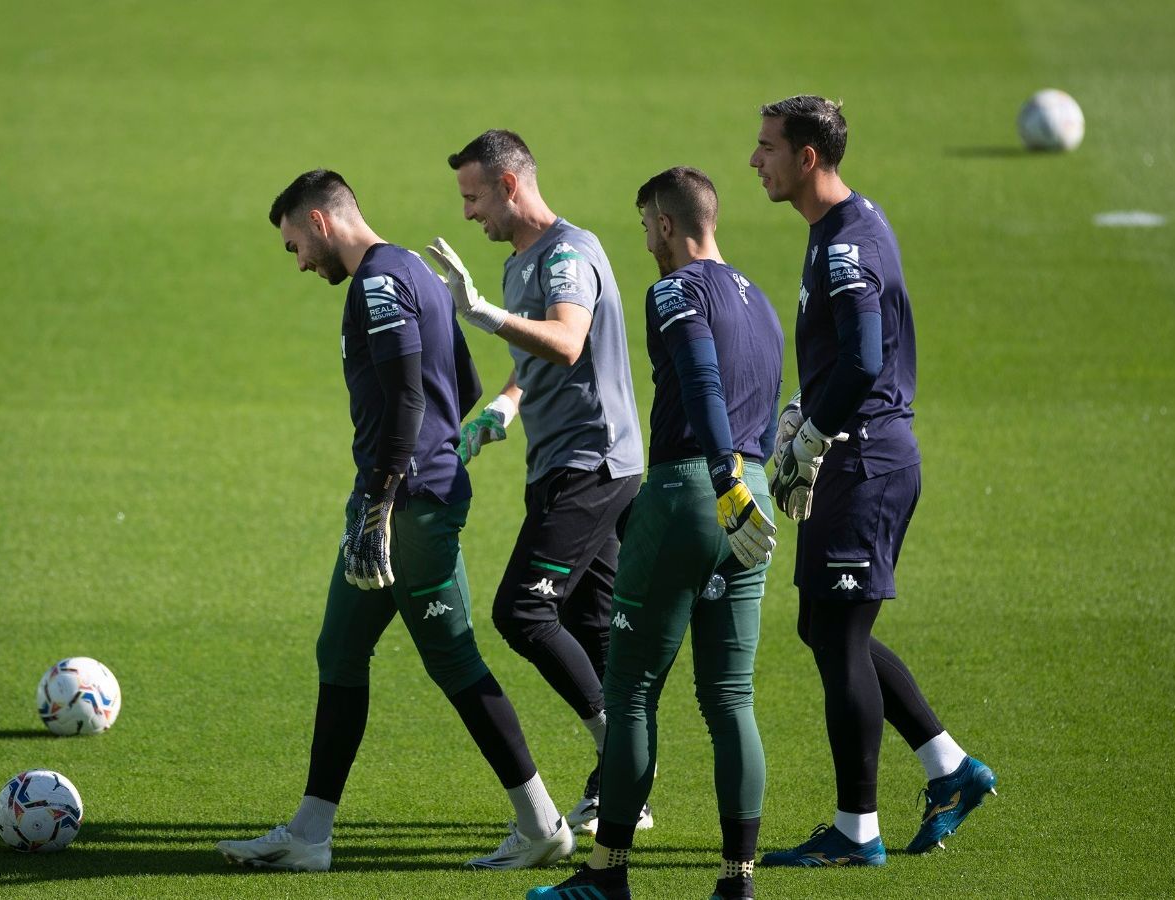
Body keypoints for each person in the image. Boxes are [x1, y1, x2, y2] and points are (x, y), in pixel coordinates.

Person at [216, 169, 575, 873]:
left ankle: (542, 824)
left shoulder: (378, 282)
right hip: (401, 499)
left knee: (453, 658)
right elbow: (465, 385)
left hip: (407, 508)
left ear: (320, 221)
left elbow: (410, 397)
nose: (298, 263)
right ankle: (311, 835)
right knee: (340, 653)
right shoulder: (413, 268)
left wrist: (379, 504)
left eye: (294, 245)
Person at [748, 96, 998, 867]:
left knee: (841, 635)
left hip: (863, 462)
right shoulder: (837, 230)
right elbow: (843, 358)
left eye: (767, 148)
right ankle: (949, 768)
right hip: (858, 451)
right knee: (825, 628)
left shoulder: (849, 245)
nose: (756, 160)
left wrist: (815, 434)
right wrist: (802, 408)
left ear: (809, 158)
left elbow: (862, 359)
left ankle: (858, 830)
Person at [529, 167, 782, 900]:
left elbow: (703, 383)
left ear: (667, 223)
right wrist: (744, 483)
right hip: (751, 497)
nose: (644, 242)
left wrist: (719, 475)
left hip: (692, 491)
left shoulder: (675, 291)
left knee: (632, 688)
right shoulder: (760, 300)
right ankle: (737, 880)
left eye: (645, 227)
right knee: (731, 696)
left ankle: (606, 879)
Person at [424, 130, 647, 834]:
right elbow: (542, 352)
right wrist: (507, 404)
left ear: (509, 185)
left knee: (522, 611)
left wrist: (482, 313)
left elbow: (568, 338)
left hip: (593, 464)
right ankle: (625, 792)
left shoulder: (566, 256)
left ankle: (622, 763)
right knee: (590, 624)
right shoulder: (526, 260)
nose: (467, 214)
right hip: (569, 462)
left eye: (473, 196)